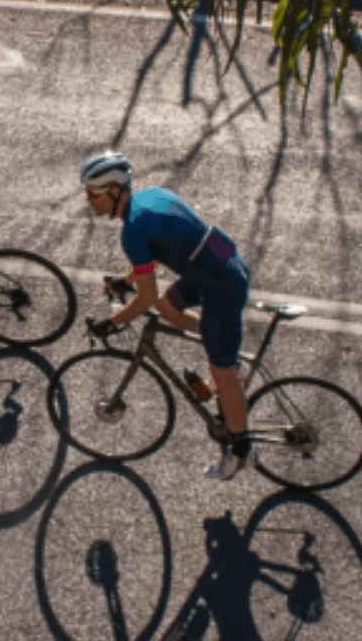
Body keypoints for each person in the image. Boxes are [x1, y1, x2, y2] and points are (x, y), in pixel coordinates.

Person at [80, 150, 252, 480]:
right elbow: (159, 251)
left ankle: (241, 450)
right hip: (222, 260)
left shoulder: (131, 230)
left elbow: (145, 298)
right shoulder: (152, 196)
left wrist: (111, 323)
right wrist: (125, 279)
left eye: (93, 194)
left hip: (220, 287)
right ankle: (228, 355)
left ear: (114, 192)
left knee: (224, 376)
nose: (89, 202)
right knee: (169, 308)